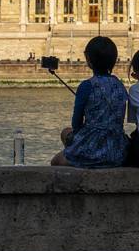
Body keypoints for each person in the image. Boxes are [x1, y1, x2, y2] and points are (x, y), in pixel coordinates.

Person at [51, 36, 128, 168]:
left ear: (88, 60)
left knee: (56, 160)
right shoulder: (120, 86)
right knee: (66, 133)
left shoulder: (86, 86)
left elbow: (76, 123)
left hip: (92, 147)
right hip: (117, 148)